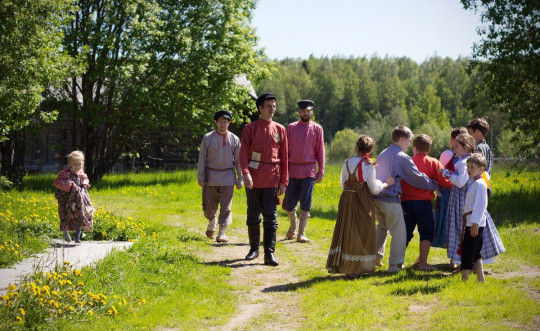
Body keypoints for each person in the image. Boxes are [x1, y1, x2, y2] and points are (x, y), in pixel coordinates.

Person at [373, 125, 439, 273]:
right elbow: (416, 178)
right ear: (402, 139)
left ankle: (374, 258)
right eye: (408, 140)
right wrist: (434, 184)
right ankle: (395, 266)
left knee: (382, 227)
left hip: (377, 197)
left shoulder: (384, 152)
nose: (409, 144)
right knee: (399, 232)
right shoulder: (401, 156)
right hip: (390, 198)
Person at [326, 136, 394, 277]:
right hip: (362, 200)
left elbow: (342, 182)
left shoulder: (347, 162)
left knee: (346, 229)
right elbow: (374, 188)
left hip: (346, 199)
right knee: (361, 231)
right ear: (369, 150)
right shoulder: (368, 165)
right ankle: (355, 267)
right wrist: (386, 184)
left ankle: (342, 263)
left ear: (356, 147)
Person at [239, 93, 288, 266]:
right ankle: (254, 249)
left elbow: (284, 156)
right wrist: (245, 173)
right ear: (260, 108)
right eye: (268, 105)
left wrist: (284, 181)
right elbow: (243, 152)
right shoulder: (250, 128)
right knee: (253, 214)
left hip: (272, 177)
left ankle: (269, 253)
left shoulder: (280, 129)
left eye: (274, 105)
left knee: (271, 216)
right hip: (253, 176)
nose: (272, 108)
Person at [443, 134, 505, 268]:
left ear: (466, 147)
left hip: (464, 200)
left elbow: (460, 182)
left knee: (464, 228)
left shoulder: (465, 162)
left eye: (457, 146)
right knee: (464, 229)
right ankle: (466, 261)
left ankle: (468, 262)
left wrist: (446, 173)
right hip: (464, 199)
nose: (454, 149)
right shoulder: (467, 161)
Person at [401, 134, 452, 271]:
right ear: (428, 149)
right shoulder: (434, 162)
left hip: (405, 201)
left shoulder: (408, 161)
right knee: (427, 231)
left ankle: (397, 263)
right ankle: (423, 263)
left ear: (415, 147)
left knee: (405, 232)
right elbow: (443, 181)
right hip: (423, 203)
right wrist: (452, 184)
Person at [197, 110, 243, 243]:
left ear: (229, 123)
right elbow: (202, 159)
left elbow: (238, 161)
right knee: (210, 206)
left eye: (225, 121)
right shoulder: (208, 138)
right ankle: (212, 222)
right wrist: (201, 176)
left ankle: (222, 232)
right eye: (220, 121)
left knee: (226, 206)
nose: (223, 124)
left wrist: (240, 178)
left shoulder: (234, 139)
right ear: (216, 122)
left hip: (228, 177)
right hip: (210, 176)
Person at [283, 99, 325, 243]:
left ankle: (301, 233)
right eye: (303, 111)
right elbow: (285, 150)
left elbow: (321, 151)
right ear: (299, 112)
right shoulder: (291, 127)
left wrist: (321, 171)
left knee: (306, 202)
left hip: (309, 170)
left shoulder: (317, 129)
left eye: (308, 111)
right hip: (292, 169)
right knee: (289, 203)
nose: (305, 113)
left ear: (312, 111)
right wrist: (283, 171)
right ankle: (293, 225)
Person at [432, 127, 468, 249]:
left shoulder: (448, 154)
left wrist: (439, 188)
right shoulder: (469, 156)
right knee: (456, 223)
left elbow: (440, 173)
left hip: (448, 191)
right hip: (461, 193)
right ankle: (454, 255)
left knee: (447, 221)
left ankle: (450, 250)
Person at [461, 153, 492, 283]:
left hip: (475, 223)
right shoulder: (475, 182)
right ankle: (481, 279)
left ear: (481, 169)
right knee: (476, 252)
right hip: (471, 222)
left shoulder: (480, 184)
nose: (469, 169)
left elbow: (481, 205)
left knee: (468, 251)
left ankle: (464, 280)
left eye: (472, 167)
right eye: (468, 166)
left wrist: (475, 224)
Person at [54, 151, 94, 243]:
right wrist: (70, 185)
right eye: (75, 164)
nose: (78, 166)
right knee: (65, 214)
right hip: (66, 198)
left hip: (78, 199)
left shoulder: (81, 173)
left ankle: (77, 236)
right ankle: (65, 232)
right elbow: (58, 182)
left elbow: (85, 180)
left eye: (80, 164)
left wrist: (84, 184)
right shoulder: (65, 173)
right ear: (70, 164)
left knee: (79, 213)